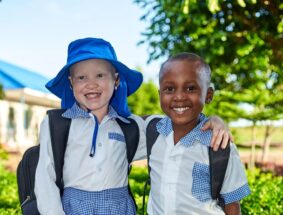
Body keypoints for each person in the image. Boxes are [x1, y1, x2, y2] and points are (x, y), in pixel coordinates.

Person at [34, 38, 231, 215]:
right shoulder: (57, 124)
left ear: (117, 80)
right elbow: (44, 179)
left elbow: (178, 121)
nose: (91, 84)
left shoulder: (132, 127)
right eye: (81, 77)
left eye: (100, 75)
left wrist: (212, 120)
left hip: (120, 208)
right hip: (71, 209)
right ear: (70, 83)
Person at [145, 53, 251, 214]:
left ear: (208, 95)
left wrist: (217, 119)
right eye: (169, 89)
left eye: (190, 88)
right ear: (160, 95)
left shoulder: (220, 144)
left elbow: (232, 204)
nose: (179, 96)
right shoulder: (151, 131)